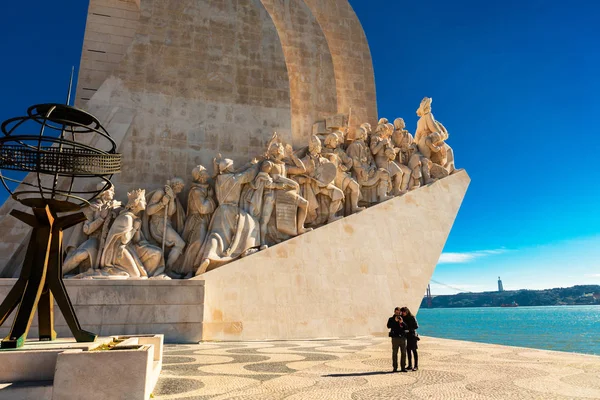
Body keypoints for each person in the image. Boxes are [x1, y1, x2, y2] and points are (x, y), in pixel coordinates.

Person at [387, 306, 408, 372]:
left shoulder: (403, 318)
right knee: (394, 353)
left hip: (402, 338)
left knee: (404, 353)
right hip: (395, 338)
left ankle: (403, 367)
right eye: (396, 312)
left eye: (399, 312)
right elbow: (388, 326)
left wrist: (402, 322)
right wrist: (395, 321)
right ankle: (395, 367)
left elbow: (406, 327)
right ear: (394, 312)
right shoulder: (391, 319)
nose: (398, 314)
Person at [401, 307, 419, 371]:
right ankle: (410, 365)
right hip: (406, 336)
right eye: (402, 312)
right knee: (408, 351)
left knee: (414, 350)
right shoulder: (402, 318)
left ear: (407, 311)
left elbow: (416, 326)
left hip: (412, 335)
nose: (403, 313)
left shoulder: (412, 317)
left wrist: (409, 329)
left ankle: (416, 366)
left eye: (404, 312)